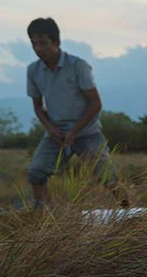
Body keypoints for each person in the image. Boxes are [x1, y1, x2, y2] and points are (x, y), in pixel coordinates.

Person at [26, 17, 119, 205]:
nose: (38, 49)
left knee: (108, 179)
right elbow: (38, 106)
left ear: (56, 42)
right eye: (34, 44)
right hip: (56, 133)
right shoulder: (33, 70)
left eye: (43, 43)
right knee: (36, 174)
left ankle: (129, 211)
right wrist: (51, 128)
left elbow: (95, 103)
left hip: (87, 132)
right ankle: (46, 215)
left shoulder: (77, 65)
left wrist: (74, 131)